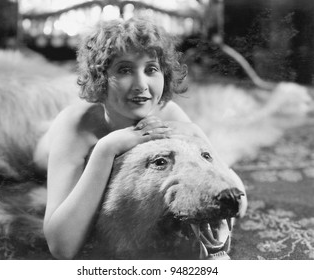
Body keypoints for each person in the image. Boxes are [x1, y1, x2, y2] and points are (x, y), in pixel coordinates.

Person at [38, 17, 227, 259]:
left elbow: (229, 187)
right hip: (45, 148)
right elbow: (61, 247)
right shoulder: (75, 128)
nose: (141, 85)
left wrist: (197, 133)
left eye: (151, 69)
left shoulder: (168, 113)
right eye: (125, 70)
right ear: (101, 78)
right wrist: (106, 149)